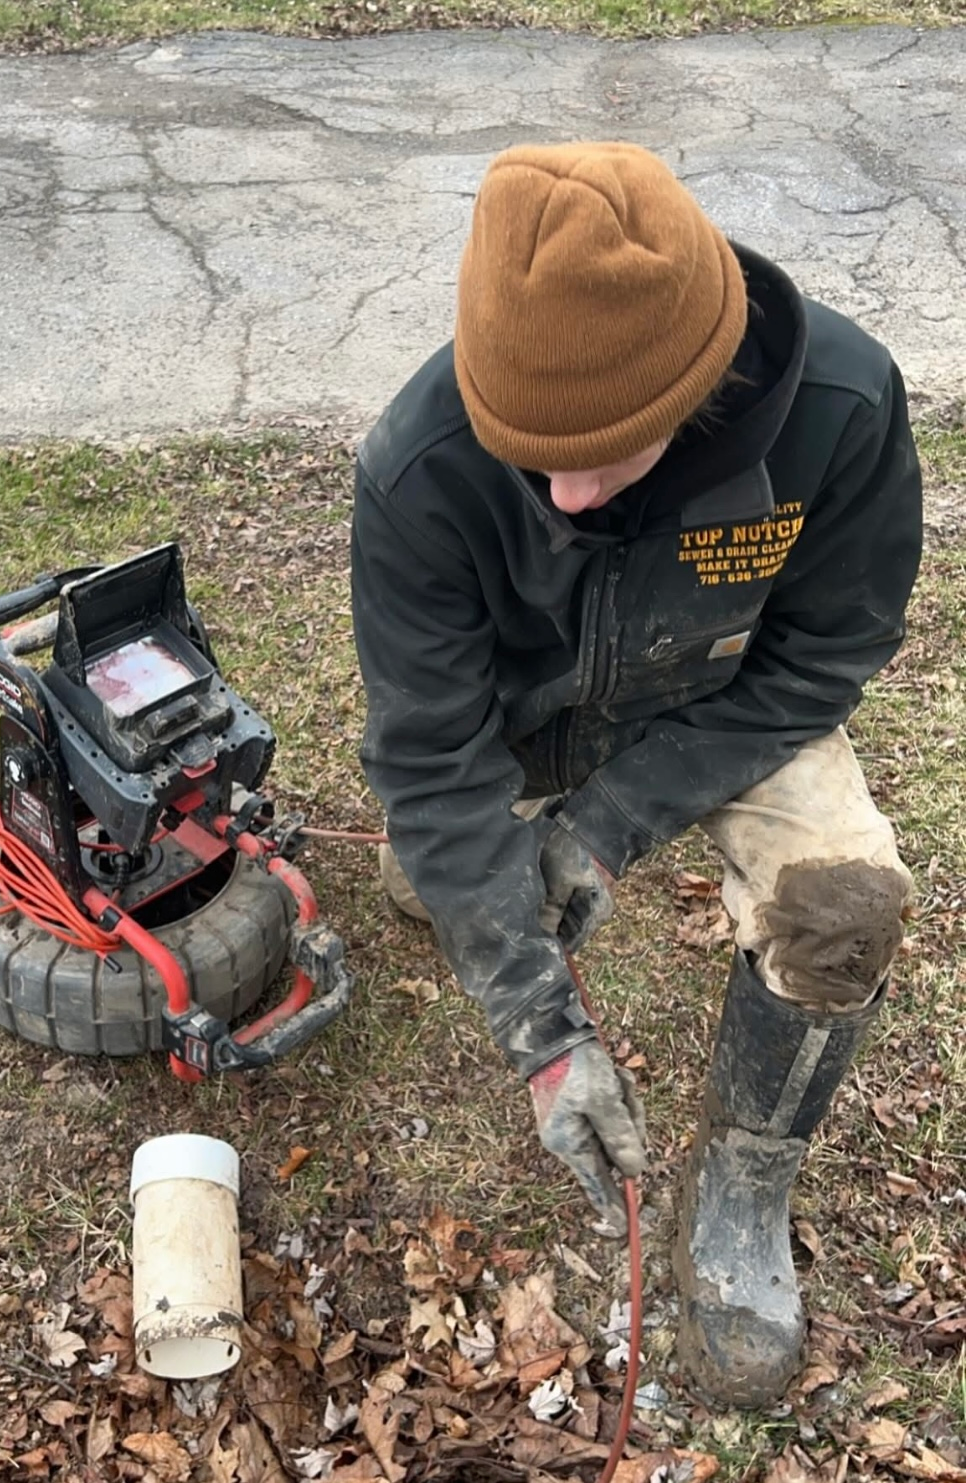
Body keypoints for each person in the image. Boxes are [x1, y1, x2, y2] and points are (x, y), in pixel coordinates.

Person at [350, 141, 922, 1408]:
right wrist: (544, 1034)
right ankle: (490, 888)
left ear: (699, 383)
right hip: (522, 727)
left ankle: (746, 1184)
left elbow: (826, 657)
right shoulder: (417, 467)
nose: (564, 490)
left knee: (844, 909)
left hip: (725, 707)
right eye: (529, 454)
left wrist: (610, 823)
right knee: (450, 870)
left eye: (607, 454)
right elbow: (432, 758)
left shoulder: (844, 411)